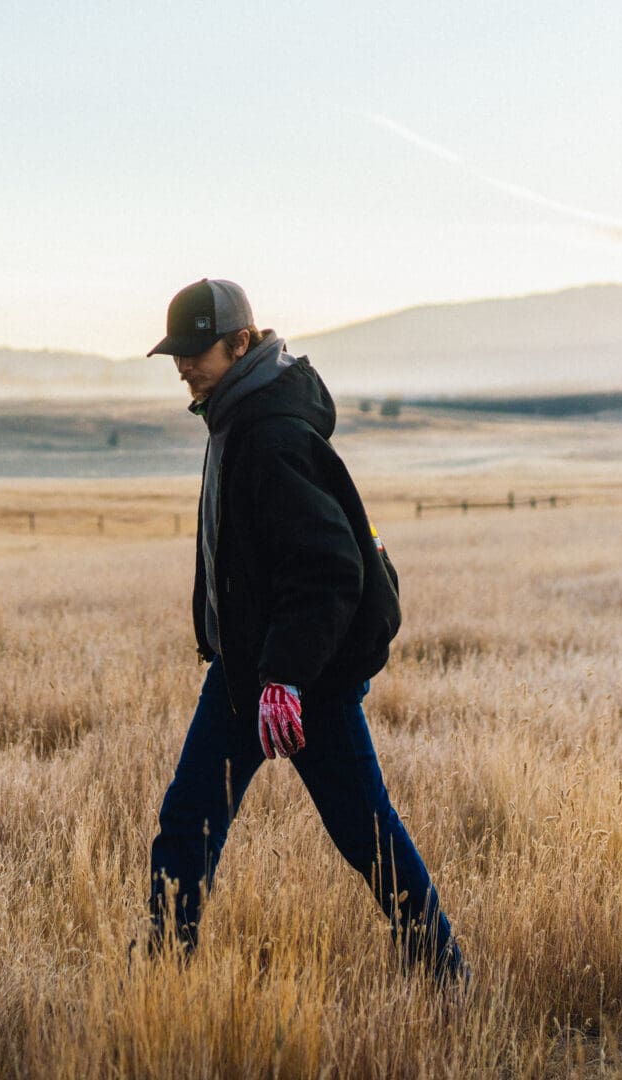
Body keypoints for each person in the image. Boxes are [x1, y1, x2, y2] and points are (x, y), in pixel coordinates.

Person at [142, 278, 464, 981]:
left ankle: (443, 971)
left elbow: (328, 569)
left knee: (364, 833)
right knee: (186, 827)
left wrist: (283, 679)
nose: (183, 364)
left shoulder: (270, 434)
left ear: (240, 343)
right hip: (243, 676)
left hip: (301, 682)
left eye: (197, 349)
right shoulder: (236, 414)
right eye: (176, 351)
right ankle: (159, 984)